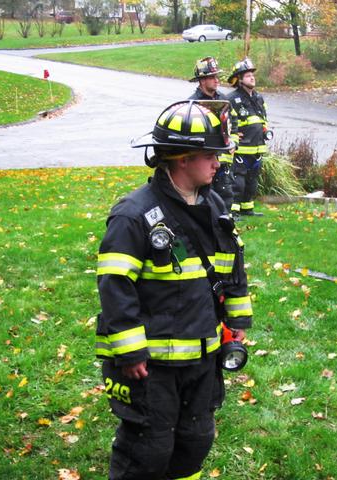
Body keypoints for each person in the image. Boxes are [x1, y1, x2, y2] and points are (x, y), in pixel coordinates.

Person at [96, 100, 253, 480]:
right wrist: (131, 352)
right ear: (182, 158)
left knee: (195, 440)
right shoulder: (133, 215)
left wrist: (238, 317)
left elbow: (231, 265)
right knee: (149, 447)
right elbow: (115, 286)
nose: (219, 163)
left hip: (203, 355)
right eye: (211, 155)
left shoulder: (214, 204)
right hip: (151, 367)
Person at [188, 56, 236, 212]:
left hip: (224, 161)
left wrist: (233, 143)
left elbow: (233, 124)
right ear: (202, 81)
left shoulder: (224, 100)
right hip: (203, 160)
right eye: (212, 77)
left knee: (226, 196)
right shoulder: (192, 104)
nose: (217, 80)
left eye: (217, 76)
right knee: (203, 197)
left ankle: (224, 228)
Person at [226, 58, 270, 217]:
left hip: (257, 148)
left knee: (252, 182)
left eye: (252, 75)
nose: (252, 78)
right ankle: (234, 212)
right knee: (238, 182)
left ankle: (247, 209)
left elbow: (263, 119)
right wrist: (233, 135)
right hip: (241, 149)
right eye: (248, 75)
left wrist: (265, 130)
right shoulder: (232, 99)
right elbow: (227, 122)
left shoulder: (258, 98)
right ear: (239, 80)